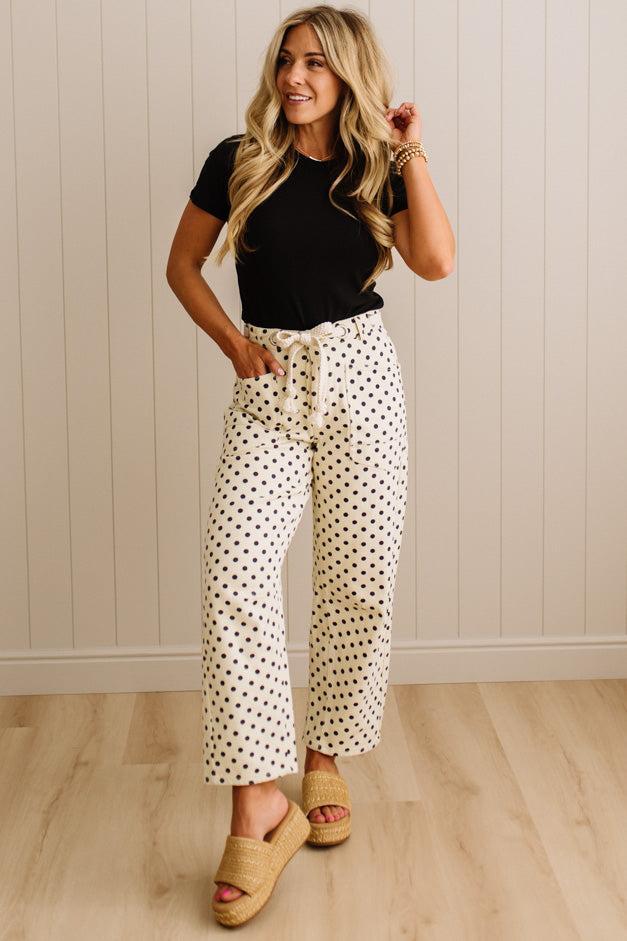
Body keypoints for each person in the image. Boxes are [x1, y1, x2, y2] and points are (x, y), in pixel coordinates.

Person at [166, 4, 454, 927]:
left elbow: (435, 262)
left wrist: (409, 150)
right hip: (269, 376)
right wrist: (232, 348)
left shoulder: (375, 164)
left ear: (349, 75)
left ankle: (324, 756)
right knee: (234, 579)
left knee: (357, 582)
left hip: (362, 374)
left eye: (317, 65)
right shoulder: (237, 158)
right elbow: (182, 266)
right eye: (287, 61)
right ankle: (258, 800)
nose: (295, 78)